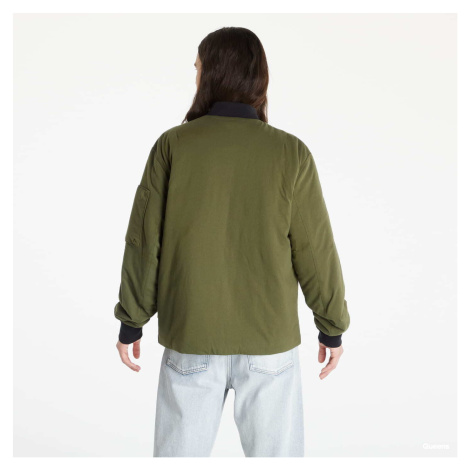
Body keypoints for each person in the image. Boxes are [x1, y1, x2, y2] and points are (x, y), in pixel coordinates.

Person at [114, 26, 350, 458]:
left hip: (192, 336)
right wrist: (331, 326)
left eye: (197, 68)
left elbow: (145, 242)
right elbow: (315, 251)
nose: (195, 76)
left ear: (210, 75)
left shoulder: (174, 145)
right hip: (269, 344)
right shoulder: (290, 153)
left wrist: (133, 319)